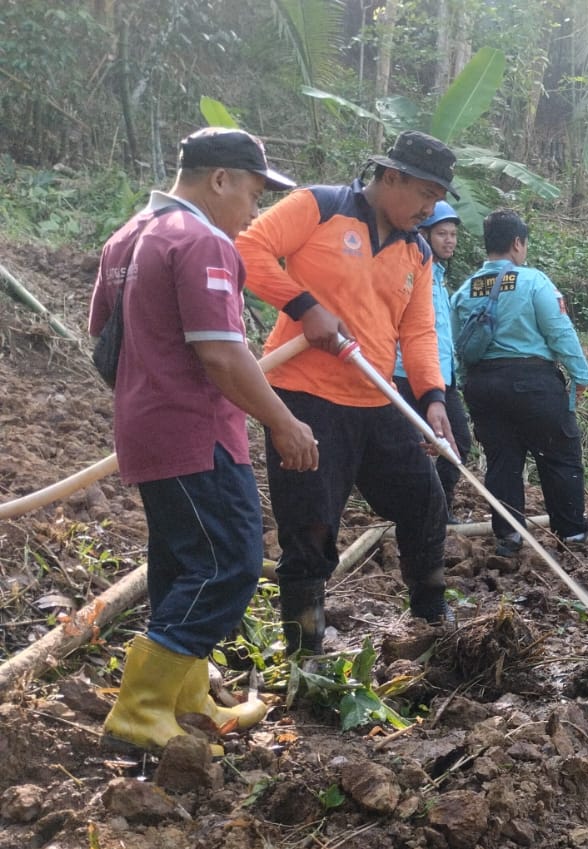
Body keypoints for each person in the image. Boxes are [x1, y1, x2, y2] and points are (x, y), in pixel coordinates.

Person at [89, 128, 317, 752]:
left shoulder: (127, 238)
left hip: (147, 427)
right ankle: (140, 710)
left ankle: (184, 698)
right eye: (251, 193)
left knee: (182, 561)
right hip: (195, 432)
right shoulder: (202, 240)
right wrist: (283, 421)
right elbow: (220, 353)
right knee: (228, 562)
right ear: (219, 179)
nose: (253, 211)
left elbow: (104, 341)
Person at [237, 130, 461, 655]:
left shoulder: (418, 253)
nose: (429, 208)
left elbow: (419, 330)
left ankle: (432, 616)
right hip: (306, 397)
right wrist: (304, 306)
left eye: (436, 200)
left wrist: (433, 398)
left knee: (425, 500)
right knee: (310, 525)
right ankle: (304, 646)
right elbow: (248, 249)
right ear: (392, 177)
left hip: (377, 399)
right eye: (424, 194)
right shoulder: (319, 206)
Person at [453, 209, 588, 557]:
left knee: (502, 461)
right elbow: (559, 331)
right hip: (533, 383)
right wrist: (580, 376)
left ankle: (508, 539)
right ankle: (572, 535)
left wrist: (467, 385)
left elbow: (454, 348)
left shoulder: (465, 291)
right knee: (559, 456)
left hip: (483, 387)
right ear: (517, 243)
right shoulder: (533, 280)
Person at [393, 200, 472, 524]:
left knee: (459, 443)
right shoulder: (407, 270)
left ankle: (441, 506)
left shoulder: (438, 277)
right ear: (423, 233)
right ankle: (418, 513)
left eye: (453, 234)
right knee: (414, 450)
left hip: (442, 379)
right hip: (404, 374)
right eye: (442, 233)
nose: (449, 240)